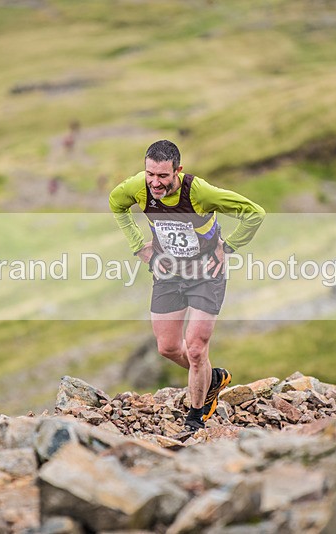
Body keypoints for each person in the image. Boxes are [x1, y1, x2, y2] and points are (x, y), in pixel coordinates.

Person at [109, 140, 265, 432]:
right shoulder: (137, 187)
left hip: (207, 272)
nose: (155, 182)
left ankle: (195, 418)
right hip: (168, 273)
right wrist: (137, 247)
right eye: (150, 174)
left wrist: (228, 247)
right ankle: (213, 379)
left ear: (177, 171)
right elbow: (116, 203)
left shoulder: (199, 192)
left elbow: (254, 212)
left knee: (195, 348)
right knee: (167, 347)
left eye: (163, 176)